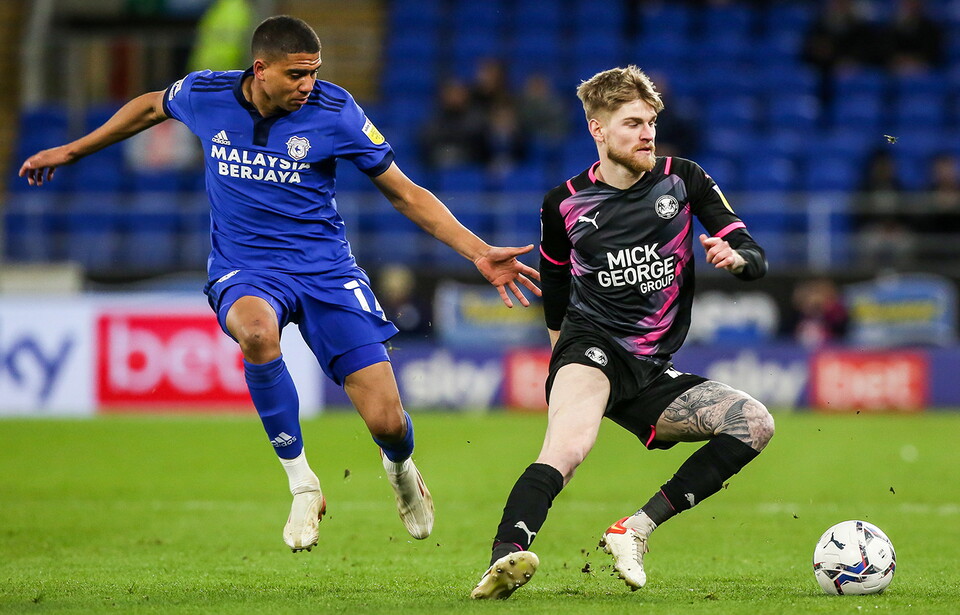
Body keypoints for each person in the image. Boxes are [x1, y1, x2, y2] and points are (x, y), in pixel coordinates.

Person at [20, 15, 540, 553]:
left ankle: (401, 466)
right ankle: (303, 484)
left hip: (326, 272)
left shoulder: (336, 112)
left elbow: (404, 192)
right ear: (260, 68)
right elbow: (153, 105)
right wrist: (72, 151)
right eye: (296, 75)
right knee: (256, 333)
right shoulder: (206, 93)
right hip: (246, 268)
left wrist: (479, 251)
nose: (307, 85)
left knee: (387, 420)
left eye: (313, 73)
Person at [470, 66, 774, 599]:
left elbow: (751, 249)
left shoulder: (685, 180)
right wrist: (560, 360)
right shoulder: (562, 203)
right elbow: (558, 287)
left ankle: (634, 529)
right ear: (598, 130)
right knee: (567, 447)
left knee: (753, 423)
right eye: (632, 123)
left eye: (651, 121)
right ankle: (506, 557)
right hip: (591, 348)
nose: (647, 134)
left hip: (652, 366)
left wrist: (738, 258)